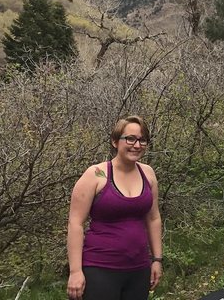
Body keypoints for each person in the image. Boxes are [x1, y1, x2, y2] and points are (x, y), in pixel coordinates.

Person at [67, 115, 163, 300]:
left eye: (142, 140)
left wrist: (157, 259)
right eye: (130, 138)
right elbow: (75, 223)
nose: (137, 145)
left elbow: (153, 218)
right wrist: (75, 271)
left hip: (139, 269)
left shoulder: (148, 173)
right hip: (100, 268)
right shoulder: (96, 174)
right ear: (114, 141)